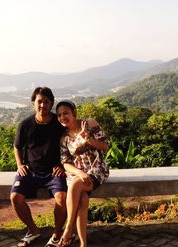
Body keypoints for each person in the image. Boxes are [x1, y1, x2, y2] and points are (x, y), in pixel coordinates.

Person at [10, 87, 67, 247]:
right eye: (39, 101)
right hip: (30, 171)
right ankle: (33, 230)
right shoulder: (26, 124)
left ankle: (56, 234)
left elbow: (69, 145)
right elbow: (17, 146)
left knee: (62, 198)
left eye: (46, 102)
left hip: (54, 171)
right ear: (33, 103)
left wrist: (63, 165)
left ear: (51, 103)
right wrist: (20, 164)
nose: (43, 105)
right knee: (15, 198)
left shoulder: (59, 123)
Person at [55, 100, 109, 247]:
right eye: (59, 115)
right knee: (83, 200)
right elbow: (65, 163)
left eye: (66, 113)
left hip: (96, 169)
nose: (62, 117)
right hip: (77, 173)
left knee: (75, 186)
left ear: (74, 112)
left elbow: (105, 147)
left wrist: (89, 139)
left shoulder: (89, 123)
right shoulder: (63, 138)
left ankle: (68, 229)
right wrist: (79, 172)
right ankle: (83, 243)